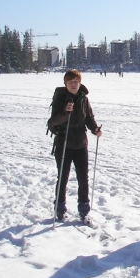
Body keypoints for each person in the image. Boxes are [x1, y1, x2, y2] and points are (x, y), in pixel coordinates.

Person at [49, 69, 102, 222]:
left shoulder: (83, 99)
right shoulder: (60, 98)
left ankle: (84, 210)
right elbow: (52, 122)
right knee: (63, 177)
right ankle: (59, 209)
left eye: (76, 82)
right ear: (65, 83)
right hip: (63, 144)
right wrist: (66, 113)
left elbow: (89, 118)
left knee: (83, 178)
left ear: (80, 83)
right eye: (70, 82)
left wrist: (95, 129)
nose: (73, 84)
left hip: (80, 144)